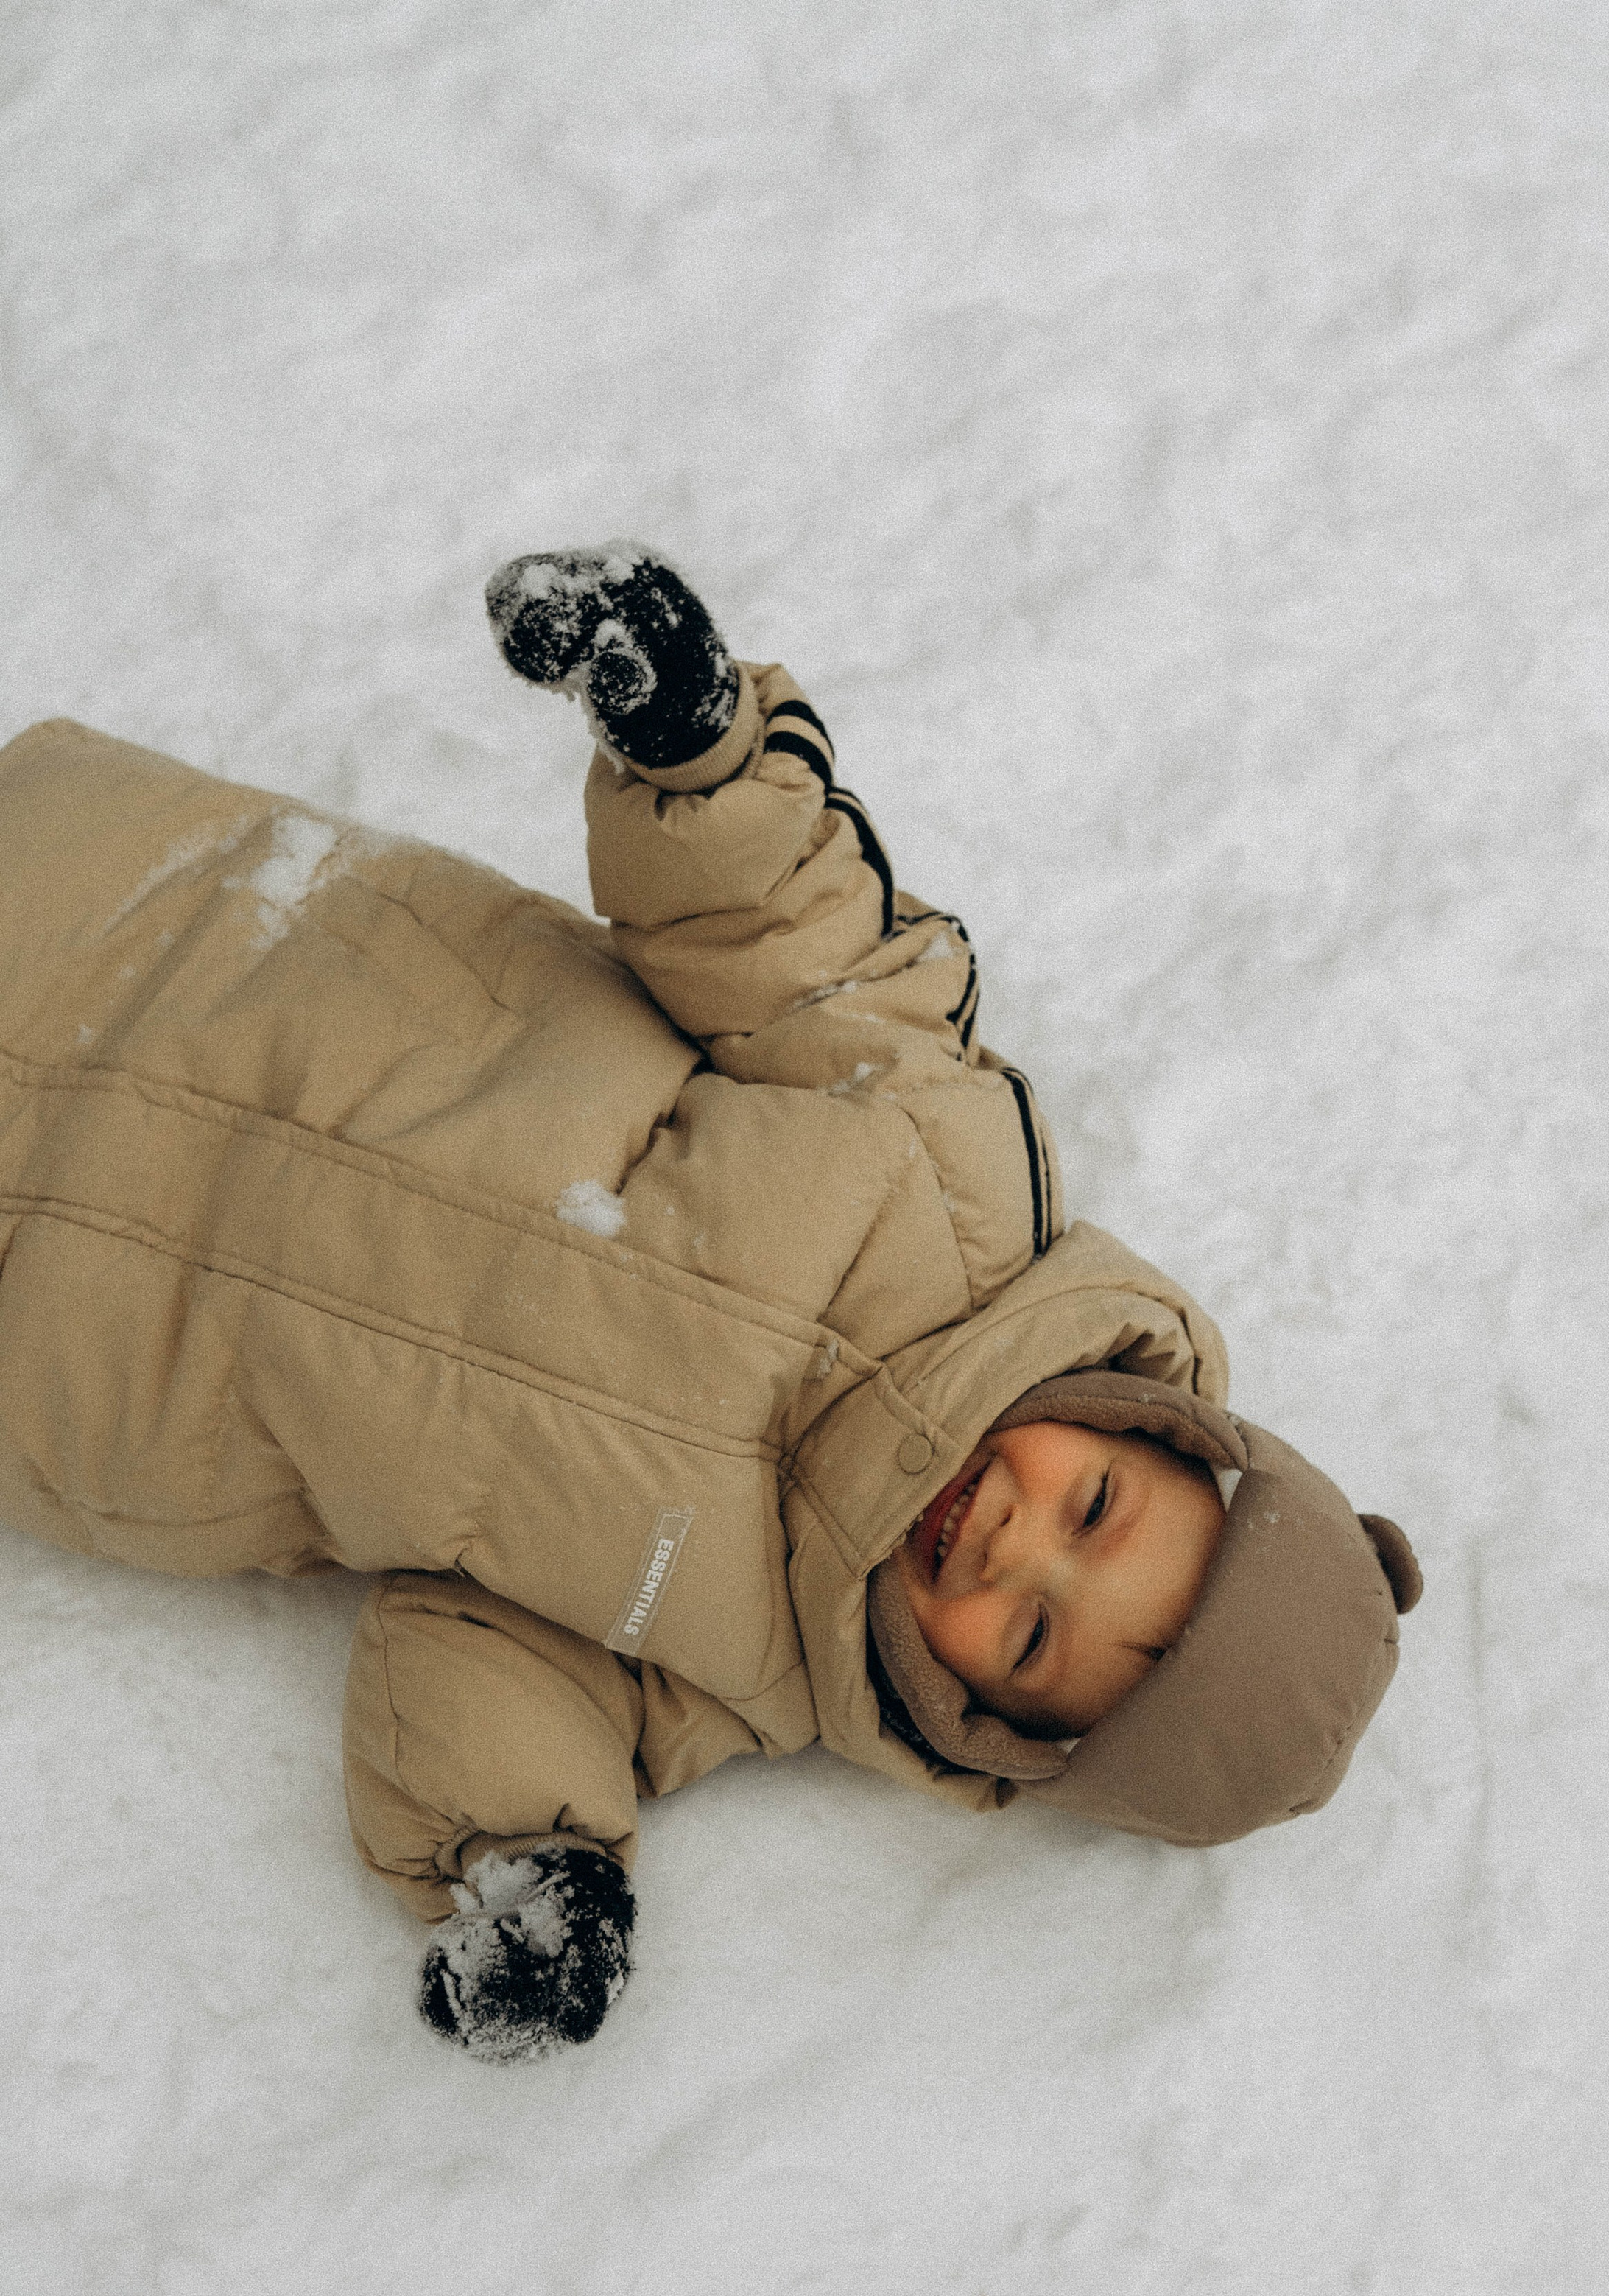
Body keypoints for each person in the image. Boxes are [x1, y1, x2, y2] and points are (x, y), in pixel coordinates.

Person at [0, 544, 1420, 2063]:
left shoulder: (738, 1668)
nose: (1011, 1553)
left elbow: (482, 1662)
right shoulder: (941, 1167)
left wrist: (534, 1862)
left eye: (1021, 1639)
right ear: (1150, 1425)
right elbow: (792, 948)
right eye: (1090, 1515)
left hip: (83, 1336)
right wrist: (695, 748)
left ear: (982, 1726)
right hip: (179, 952)